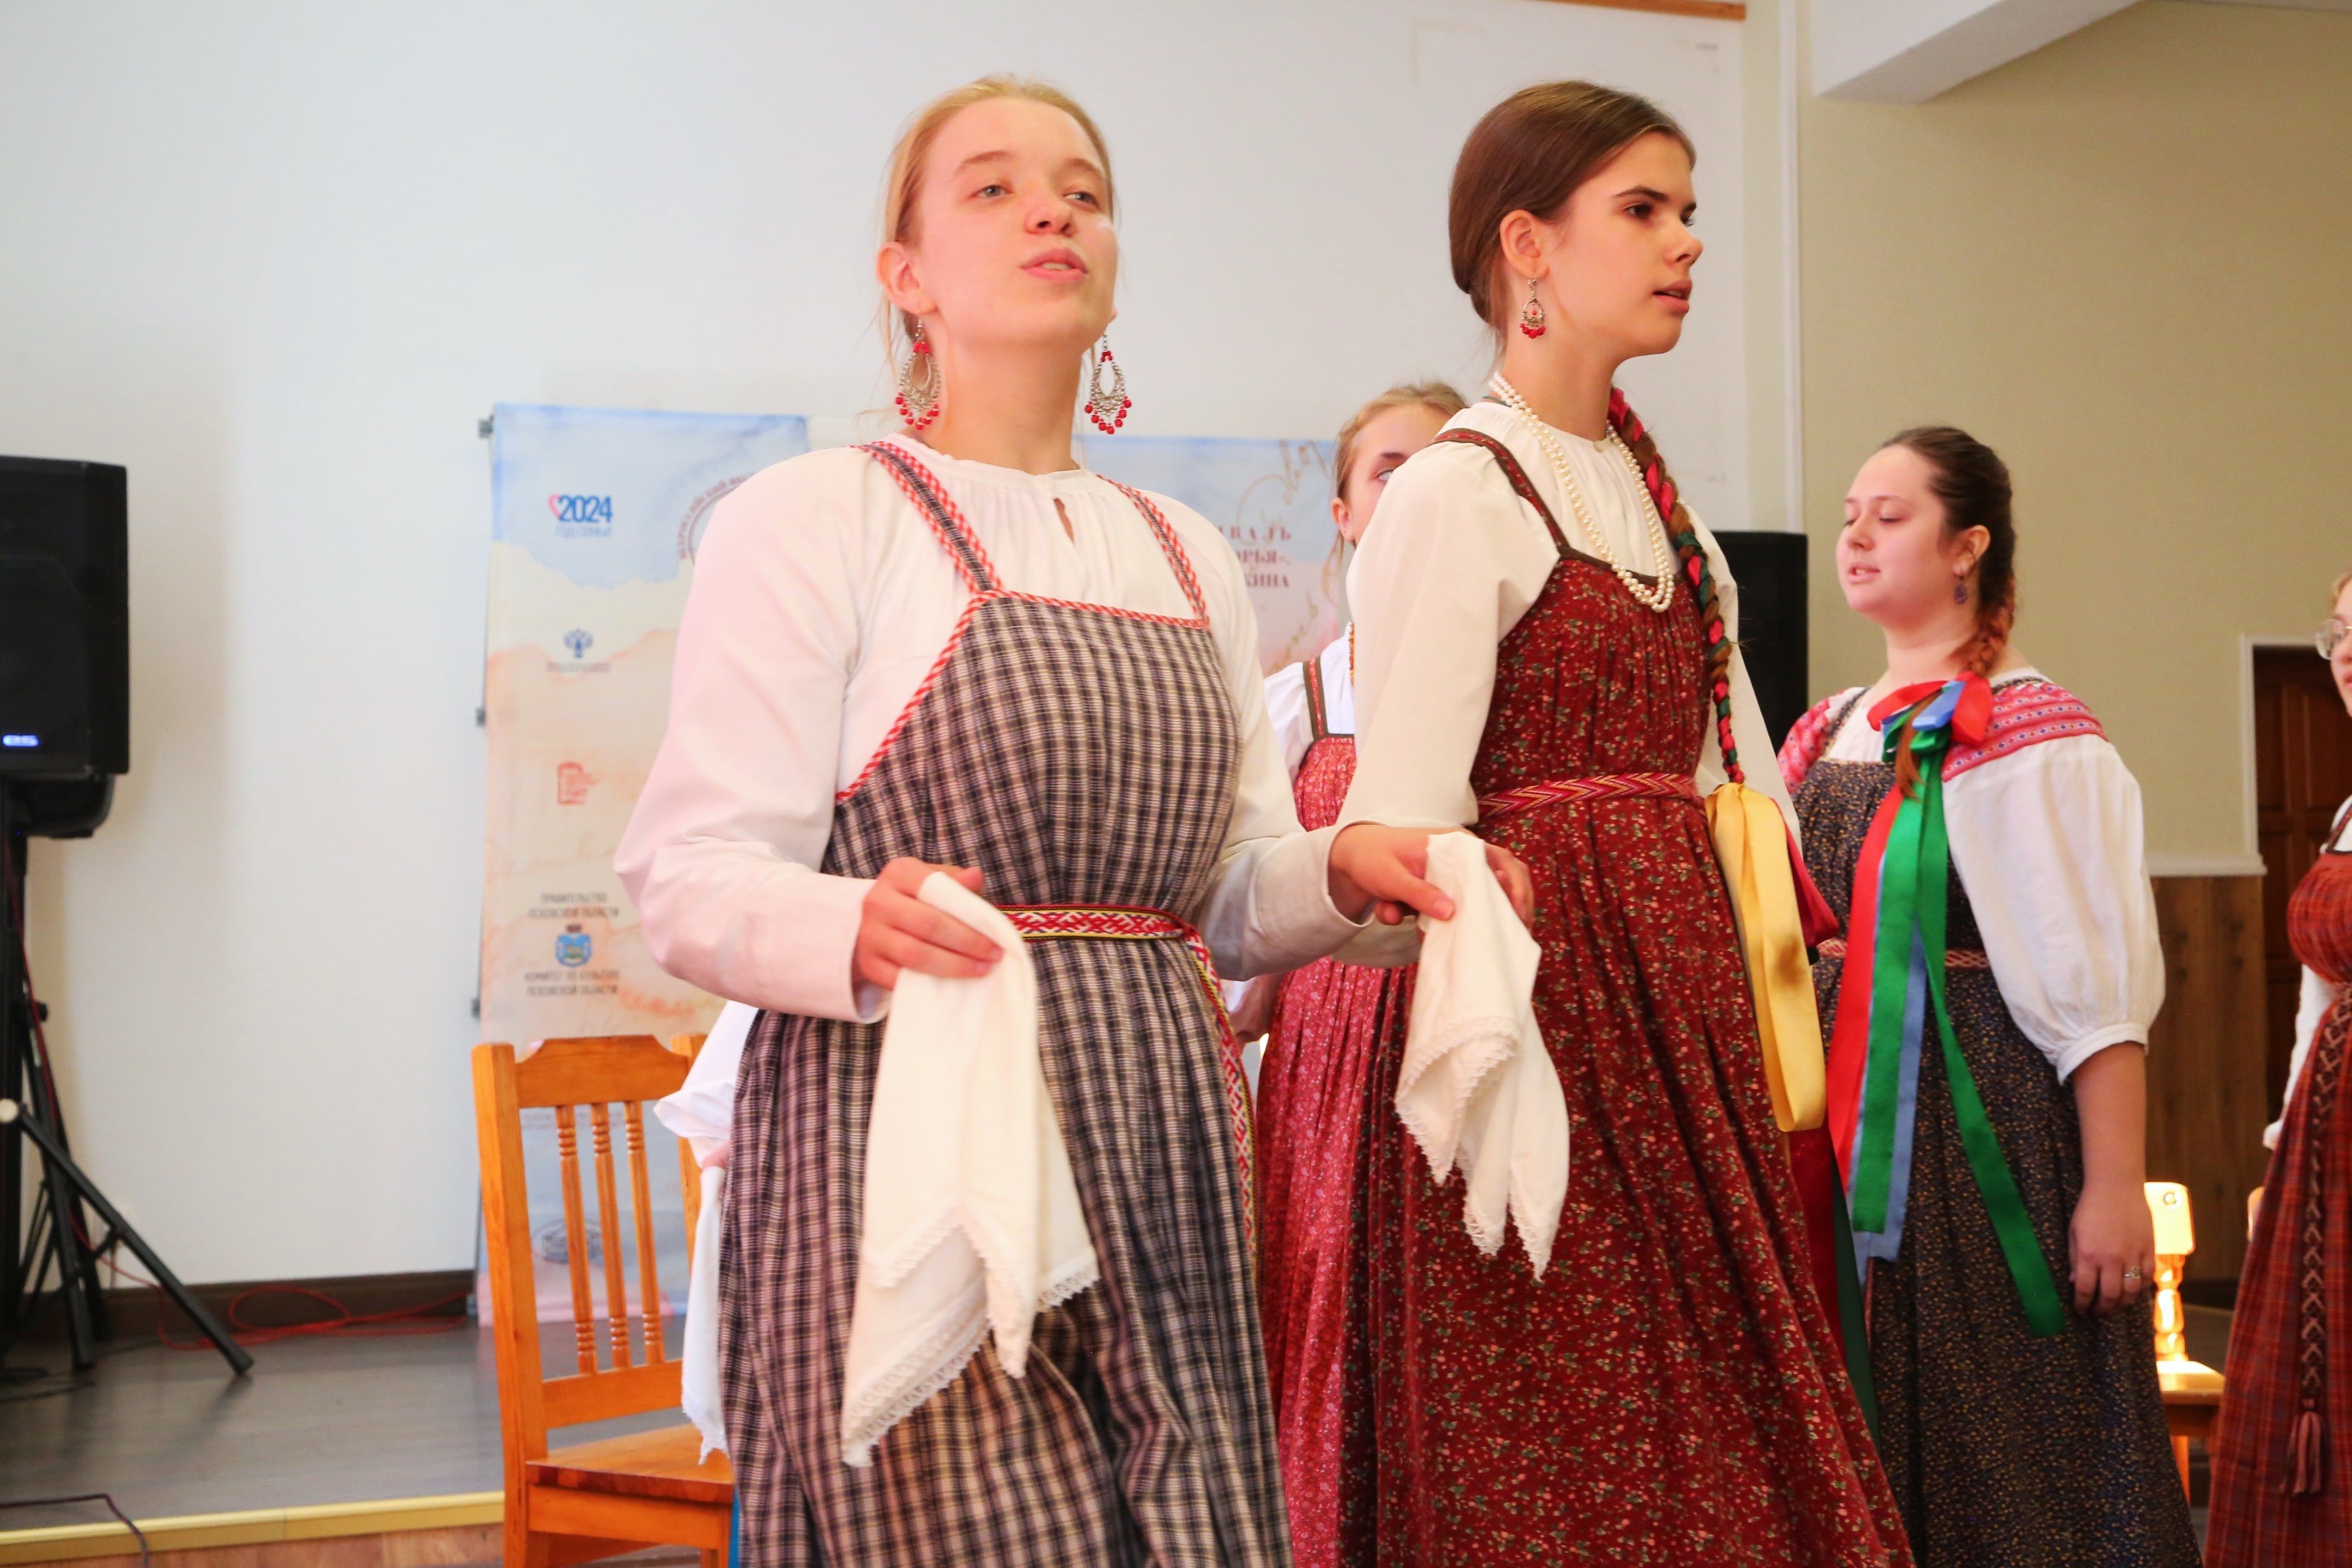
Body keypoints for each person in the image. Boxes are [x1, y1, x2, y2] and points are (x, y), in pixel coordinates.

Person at [614, 77, 1525, 1566]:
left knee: (1196, 1525)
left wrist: (1352, 870)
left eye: (1084, 190)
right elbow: (687, 873)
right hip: (906, 1110)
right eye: (992, 187)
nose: (1052, 210)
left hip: (1161, 1117)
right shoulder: (818, 515)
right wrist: (851, 922)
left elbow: (1223, 890)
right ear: (905, 276)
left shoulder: (1183, 551)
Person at [1335, 81, 1908, 1564]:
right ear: (1527, 246)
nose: (1687, 242)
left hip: (1686, 1006)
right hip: (1539, 1007)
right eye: (1643, 210)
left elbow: (1740, 785)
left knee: (1726, 1409)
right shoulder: (1455, 491)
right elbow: (1406, 820)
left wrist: (1769, 990)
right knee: (1562, 1429)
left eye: (1689, 210)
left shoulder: (1672, 515)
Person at [1778, 429, 2198, 1566]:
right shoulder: (1824, 728)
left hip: (1982, 1136)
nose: (1856, 537)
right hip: (1837, 1121)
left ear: (1968, 547)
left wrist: (2113, 1186)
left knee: (2006, 1434)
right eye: (1850, 515)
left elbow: (2095, 990)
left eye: (1891, 516)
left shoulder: (2035, 731)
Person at [1240, 380, 1461, 1567]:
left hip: (1470, 1032)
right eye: (1389, 469)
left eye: (1442, 468)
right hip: (1332, 1053)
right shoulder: (1301, 699)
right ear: (1343, 512)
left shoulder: (1502, 690)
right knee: (1333, 1305)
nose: (1416, 488)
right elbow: (1249, 899)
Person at [2207, 568, 2352, 1565]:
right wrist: (2283, 1140)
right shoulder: (2345, 811)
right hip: (2329, 1138)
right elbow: (2321, 991)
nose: (2347, 654)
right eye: (2339, 632)